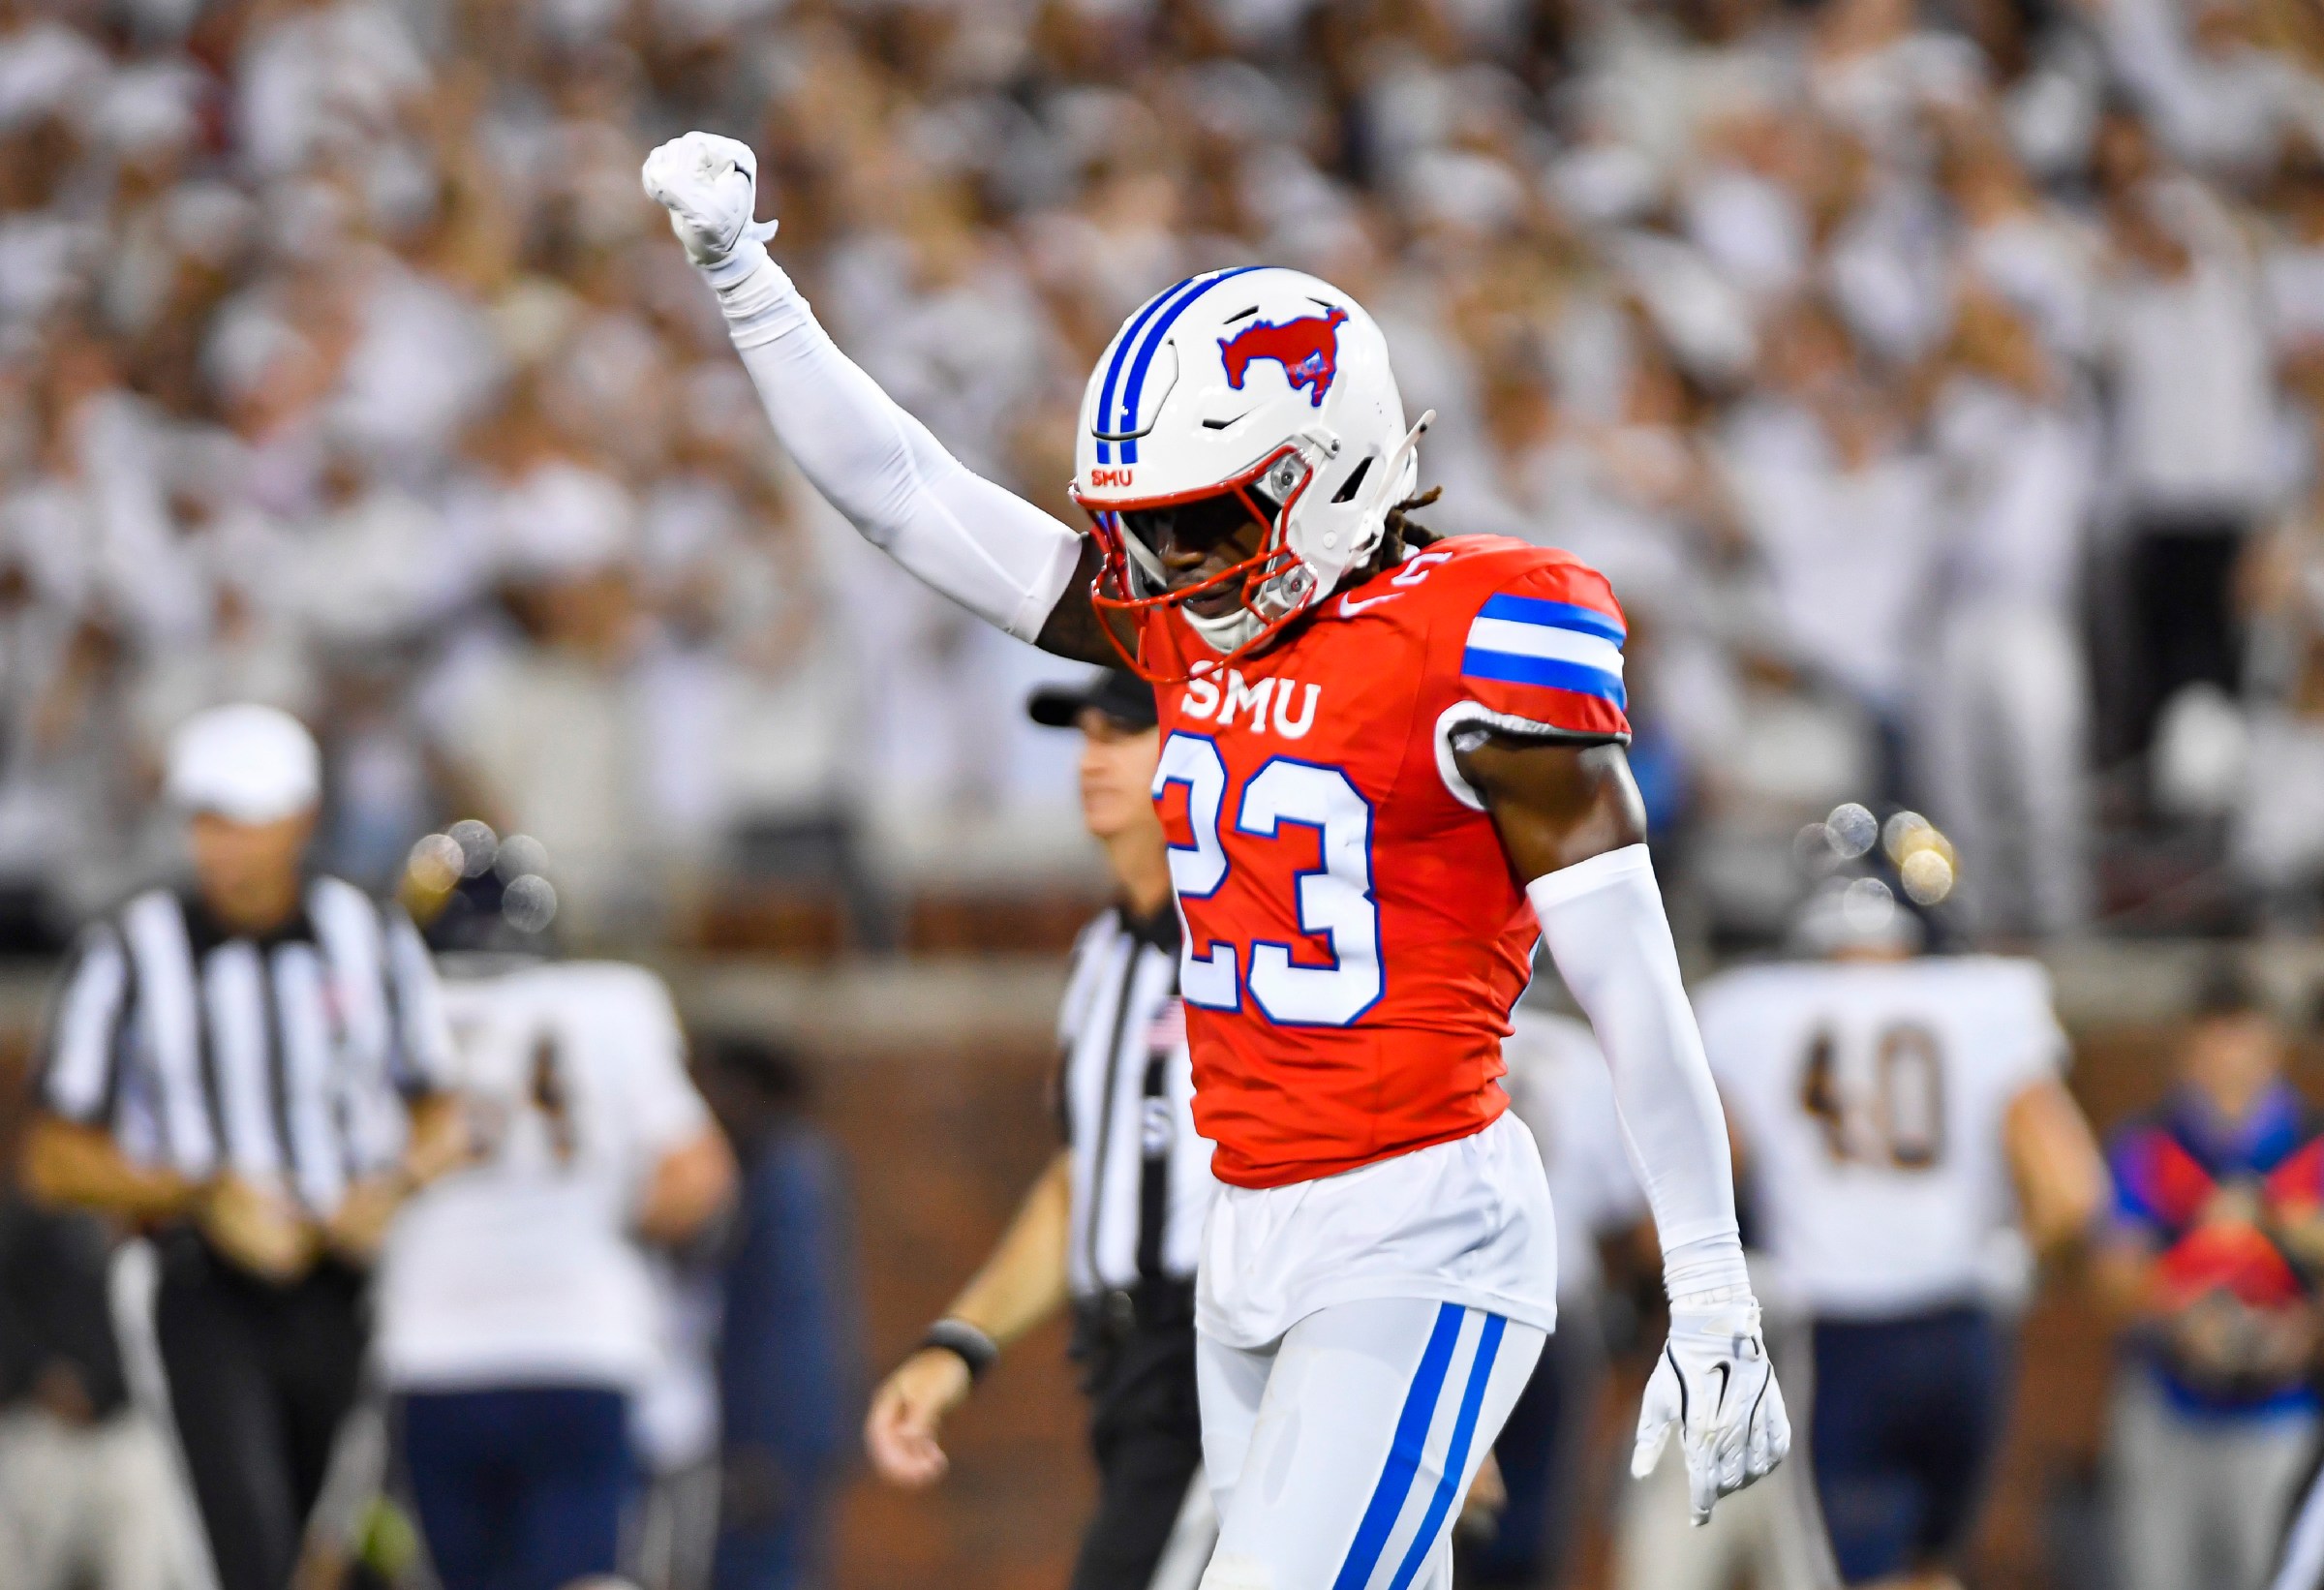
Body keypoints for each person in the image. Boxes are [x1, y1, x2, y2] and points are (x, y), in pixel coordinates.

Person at [645, 133, 1789, 1585]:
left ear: (1327, 475)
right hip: (1239, 1228)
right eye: (1148, 530)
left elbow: (1635, 984)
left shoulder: (1485, 637)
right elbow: (908, 497)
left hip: (1415, 1223)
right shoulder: (1183, 625)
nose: (1168, 564)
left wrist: (1712, 1287)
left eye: (1200, 522)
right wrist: (746, 281)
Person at [18, 702, 463, 1590]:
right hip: (197, 1284)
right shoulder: (131, 950)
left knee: (324, 1546)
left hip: (344, 1281)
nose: (222, 847)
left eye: (244, 819)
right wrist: (198, 1194)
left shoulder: (368, 936)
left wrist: (386, 1189)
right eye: (207, 819)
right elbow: (50, 1157)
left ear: (300, 818)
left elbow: (440, 1113)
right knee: (236, 1549)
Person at [864, 668, 1220, 1590]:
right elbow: (1081, 1182)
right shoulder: (1102, 953)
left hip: (1219, 1360)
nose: (1093, 760)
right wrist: (960, 1343)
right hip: (1125, 1367)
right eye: (1088, 736)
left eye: (1125, 734)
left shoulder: (1249, 947)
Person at [1698, 837, 2106, 1590]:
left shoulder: (1748, 1007)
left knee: (1848, 1573)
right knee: (1935, 1568)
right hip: (1960, 1328)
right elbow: (2071, 1191)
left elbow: (1707, 1170)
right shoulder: (1987, 997)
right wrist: (2018, 1262)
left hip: (1836, 1335)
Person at [373, 855, 738, 1590]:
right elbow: (696, 1180)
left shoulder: (381, 1005)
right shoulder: (612, 1001)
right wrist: (599, 1214)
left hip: (433, 1352)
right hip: (582, 1343)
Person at [2096, 963, 2324, 1590]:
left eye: (2243, 1043)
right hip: (2170, 1404)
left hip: (2282, 1415)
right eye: (2214, 1045)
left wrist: (2302, 1330)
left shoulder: (2312, 1145)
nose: (2229, 1065)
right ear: (2186, 1051)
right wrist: (2179, 1312)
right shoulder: (2148, 1142)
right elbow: (2112, 1271)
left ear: (2273, 1048)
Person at [1466, 1006, 1648, 1587]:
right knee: (1540, 1522)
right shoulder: (1576, 1050)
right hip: (1548, 1307)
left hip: (1434, 1306)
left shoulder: (1406, 1019)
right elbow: (1623, 1222)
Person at [695, 1033, 863, 1590]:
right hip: (786, 1425)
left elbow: (784, 1317)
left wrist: (757, 1439)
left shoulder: (783, 1171)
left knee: (763, 1569)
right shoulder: (795, 1163)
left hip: (772, 1429)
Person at [0, 1192, 181, 1590]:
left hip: (126, 1432)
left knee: (152, 1489)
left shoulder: (169, 1241)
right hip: (41, 1428)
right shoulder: (36, 1229)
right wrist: (39, 1373)